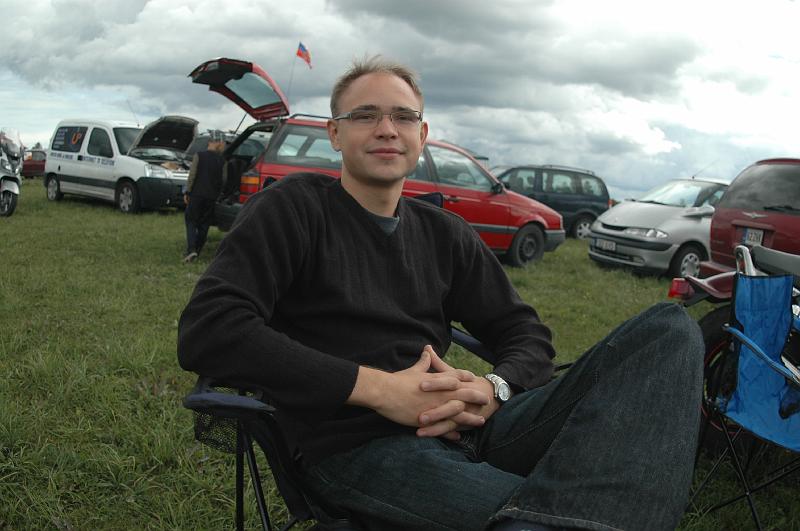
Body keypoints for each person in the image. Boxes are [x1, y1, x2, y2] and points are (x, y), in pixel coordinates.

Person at [178, 56, 704, 530]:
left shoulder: (444, 232)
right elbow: (210, 329)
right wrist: (383, 391)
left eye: (403, 117)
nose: (387, 129)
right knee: (544, 516)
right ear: (335, 133)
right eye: (365, 115)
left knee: (669, 330)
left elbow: (524, 333)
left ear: (422, 134)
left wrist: (494, 389)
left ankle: (545, 511)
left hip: (471, 425)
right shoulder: (294, 209)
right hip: (358, 446)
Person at [182, 130, 225, 263]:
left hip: (197, 195)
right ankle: (198, 249)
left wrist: (187, 191)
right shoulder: (222, 160)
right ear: (217, 142)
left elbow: (192, 175)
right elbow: (223, 180)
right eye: (223, 143)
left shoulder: (199, 156)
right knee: (204, 223)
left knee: (190, 220)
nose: (224, 146)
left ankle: (191, 249)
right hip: (211, 197)